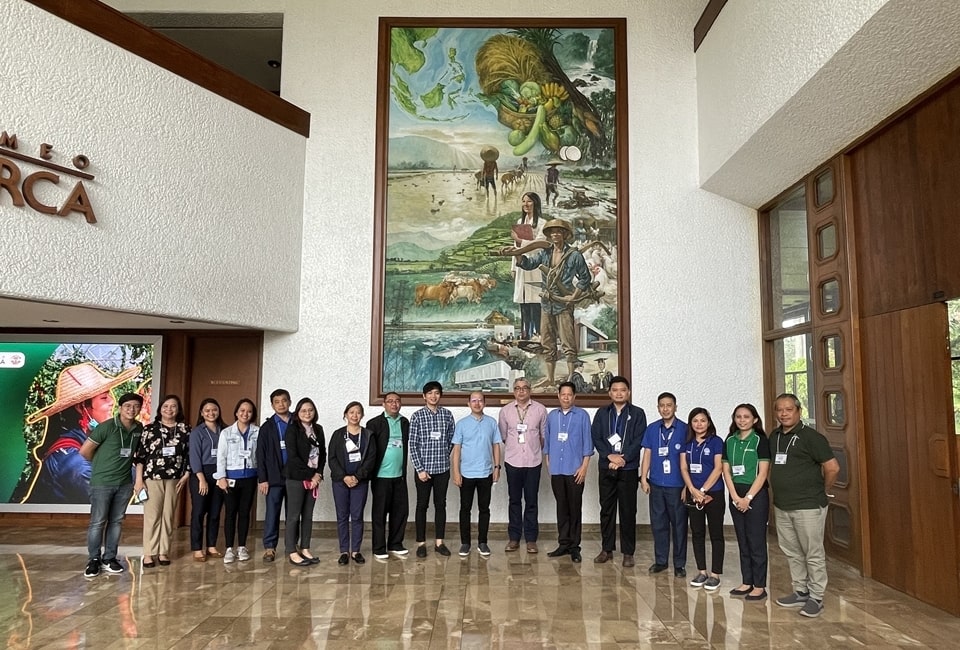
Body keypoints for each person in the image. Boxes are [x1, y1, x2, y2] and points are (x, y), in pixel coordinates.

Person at [27, 362, 141, 504]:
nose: (113, 401)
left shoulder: (88, 442)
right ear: (82, 408)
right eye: (104, 398)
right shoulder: (71, 462)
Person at [769, 393, 840, 618]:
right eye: (780, 409)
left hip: (808, 505)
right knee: (792, 551)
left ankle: (816, 596)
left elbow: (833, 468)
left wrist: (824, 490)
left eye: (789, 409)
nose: (784, 413)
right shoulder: (775, 436)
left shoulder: (812, 437)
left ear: (799, 411)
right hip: (782, 505)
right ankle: (800, 590)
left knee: (813, 552)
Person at [512, 219, 594, 388]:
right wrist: (516, 253)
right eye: (552, 232)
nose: (555, 235)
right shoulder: (545, 253)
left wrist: (574, 296)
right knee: (547, 343)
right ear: (548, 235)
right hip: (547, 303)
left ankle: (571, 379)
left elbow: (585, 278)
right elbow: (527, 264)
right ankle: (550, 378)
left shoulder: (574, 255)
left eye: (558, 232)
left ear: (564, 234)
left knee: (568, 342)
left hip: (563, 303)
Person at [79, 391, 144, 578]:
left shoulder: (139, 428)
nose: (132, 409)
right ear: (121, 408)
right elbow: (85, 452)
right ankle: (93, 560)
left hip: (124, 483)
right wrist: (101, 466)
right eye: (128, 406)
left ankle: (109, 558)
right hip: (102, 483)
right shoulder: (106, 427)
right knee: (98, 522)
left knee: (116, 522)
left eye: (136, 406)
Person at [591, 376, 647, 567]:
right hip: (607, 467)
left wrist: (622, 459)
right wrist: (609, 456)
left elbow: (639, 439)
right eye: (615, 390)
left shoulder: (638, 414)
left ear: (628, 392)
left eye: (622, 390)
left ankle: (628, 552)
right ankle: (606, 549)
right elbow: (596, 437)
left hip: (628, 468)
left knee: (628, 510)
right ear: (610, 393)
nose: (619, 393)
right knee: (606, 510)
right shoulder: (602, 413)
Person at [133, 394, 190, 568]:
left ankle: (163, 551)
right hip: (153, 478)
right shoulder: (149, 429)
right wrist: (138, 480)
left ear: (178, 409)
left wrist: (187, 474)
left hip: (175, 479)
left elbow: (189, 455)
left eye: (173, 406)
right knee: (152, 516)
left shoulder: (185, 430)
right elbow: (140, 456)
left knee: (168, 516)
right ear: (160, 409)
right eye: (165, 406)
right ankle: (149, 553)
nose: (169, 409)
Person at [723, 403, 771, 602]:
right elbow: (726, 470)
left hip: (755, 495)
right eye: (738, 417)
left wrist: (748, 498)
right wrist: (734, 496)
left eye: (746, 417)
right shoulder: (730, 440)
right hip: (736, 493)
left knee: (756, 540)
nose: (742, 420)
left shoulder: (760, 440)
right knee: (742, 539)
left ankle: (759, 585)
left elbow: (763, 473)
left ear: (755, 420)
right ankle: (747, 581)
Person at [544, 382, 593, 563]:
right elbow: (547, 443)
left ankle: (574, 547)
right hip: (557, 469)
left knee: (574, 508)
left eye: (569, 394)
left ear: (574, 397)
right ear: (558, 396)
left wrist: (584, 467)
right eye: (563, 394)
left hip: (575, 470)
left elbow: (588, 445)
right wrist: (549, 463)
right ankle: (563, 543)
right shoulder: (552, 416)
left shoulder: (582, 416)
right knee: (561, 507)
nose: (566, 397)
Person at [640, 392, 689, 577]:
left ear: (675, 407)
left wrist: (687, 486)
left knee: (679, 525)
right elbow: (648, 454)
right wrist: (643, 478)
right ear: (658, 407)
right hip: (656, 484)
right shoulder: (652, 428)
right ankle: (661, 560)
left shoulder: (685, 429)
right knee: (658, 524)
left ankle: (679, 563)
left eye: (669, 405)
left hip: (677, 485)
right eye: (662, 405)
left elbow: (688, 460)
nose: (666, 408)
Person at [498, 376, 547, 553]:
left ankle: (531, 539)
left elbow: (543, 437)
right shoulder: (505, 411)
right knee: (514, 501)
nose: (521, 391)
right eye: (517, 388)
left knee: (532, 501)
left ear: (530, 390)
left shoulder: (541, 410)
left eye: (525, 388)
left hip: (533, 462)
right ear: (513, 391)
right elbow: (504, 436)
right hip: (513, 461)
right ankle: (514, 538)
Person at [679, 407, 725, 590]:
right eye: (695, 421)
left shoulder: (716, 442)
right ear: (691, 423)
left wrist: (703, 490)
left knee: (716, 534)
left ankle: (715, 574)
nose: (699, 424)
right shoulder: (687, 443)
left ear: (709, 422)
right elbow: (684, 468)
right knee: (697, 533)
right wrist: (692, 489)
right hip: (693, 493)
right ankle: (702, 571)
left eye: (703, 420)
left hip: (713, 493)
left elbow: (718, 468)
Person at [409, 381, 455, 558]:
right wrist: (420, 469)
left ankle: (439, 542)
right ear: (424, 396)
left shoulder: (447, 415)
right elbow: (412, 445)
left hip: (442, 469)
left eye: (436, 393)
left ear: (440, 395)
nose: (433, 396)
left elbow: (452, 440)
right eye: (429, 393)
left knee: (440, 505)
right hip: (423, 471)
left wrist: (444, 455)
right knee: (422, 506)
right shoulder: (417, 416)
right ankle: (421, 543)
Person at [452, 392, 502, 557]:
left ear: (484, 403)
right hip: (466, 473)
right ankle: (465, 543)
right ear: (468, 404)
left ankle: (483, 542)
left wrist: (497, 468)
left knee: (484, 509)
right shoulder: (462, 424)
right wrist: (456, 472)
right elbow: (457, 450)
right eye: (474, 400)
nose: (477, 403)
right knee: (465, 509)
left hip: (486, 472)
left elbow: (496, 446)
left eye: (480, 400)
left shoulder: (491, 422)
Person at [329, 401, 377, 564]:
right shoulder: (337, 434)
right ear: (345, 415)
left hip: (360, 482)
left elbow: (371, 459)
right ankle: (344, 551)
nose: (354, 415)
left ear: (362, 415)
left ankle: (355, 550)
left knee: (357, 516)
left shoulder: (368, 435)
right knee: (342, 516)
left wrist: (357, 477)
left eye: (358, 412)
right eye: (351, 412)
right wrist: (344, 477)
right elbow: (332, 458)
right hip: (340, 482)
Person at [215, 398, 260, 564]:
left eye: (248, 411)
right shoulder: (226, 433)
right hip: (230, 479)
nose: (245, 414)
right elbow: (221, 457)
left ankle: (242, 546)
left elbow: (260, 455)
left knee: (244, 512)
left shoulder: (257, 431)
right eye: (242, 410)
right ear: (236, 412)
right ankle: (228, 548)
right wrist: (221, 477)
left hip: (249, 477)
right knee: (230, 512)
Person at [368, 392, 410, 560]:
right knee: (379, 513)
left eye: (397, 401)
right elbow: (369, 451)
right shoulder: (374, 423)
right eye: (390, 401)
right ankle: (379, 547)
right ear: (383, 404)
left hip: (399, 476)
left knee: (400, 511)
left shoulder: (405, 422)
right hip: (380, 477)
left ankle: (395, 543)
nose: (394, 404)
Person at [284, 397, 326, 567]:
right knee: (294, 516)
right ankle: (291, 551)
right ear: (297, 413)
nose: (307, 413)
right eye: (303, 410)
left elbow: (322, 453)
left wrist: (319, 474)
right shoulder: (292, 430)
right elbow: (293, 457)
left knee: (308, 515)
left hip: (314, 479)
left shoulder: (318, 429)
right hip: (296, 478)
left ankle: (305, 548)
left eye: (310, 410)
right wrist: (312, 475)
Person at [255, 389, 291, 563]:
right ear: (272, 405)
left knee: (293, 515)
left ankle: (293, 546)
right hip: (274, 479)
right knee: (272, 514)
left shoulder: (297, 423)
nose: (281, 404)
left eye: (284, 400)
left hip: (294, 478)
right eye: (277, 401)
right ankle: (270, 547)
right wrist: (263, 479)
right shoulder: (267, 427)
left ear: (289, 402)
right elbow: (260, 455)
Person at [188, 398, 225, 562]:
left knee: (215, 512)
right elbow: (194, 457)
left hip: (219, 473)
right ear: (202, 413)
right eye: (207, 410)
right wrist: (201, 478)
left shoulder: (224, 430)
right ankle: (197, 548)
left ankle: (211, 545)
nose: (211, 413)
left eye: (214, 410)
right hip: (201, 474)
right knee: (199, 511)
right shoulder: (197, 432)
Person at [511, 192, 544, 340]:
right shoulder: (520, 221)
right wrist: (513, 267)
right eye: (523, 201)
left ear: (535, 203)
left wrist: (519, 240)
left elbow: (538, 246)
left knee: (535, 301)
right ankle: (525, 334)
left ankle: (538, 334)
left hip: (535, 265)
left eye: (529, 201)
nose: (525, 204)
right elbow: (515, 247)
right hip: (521, 266)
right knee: (523, 302)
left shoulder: (542, 223)